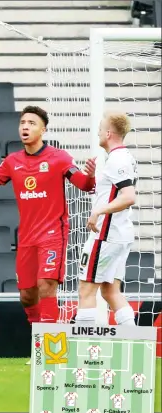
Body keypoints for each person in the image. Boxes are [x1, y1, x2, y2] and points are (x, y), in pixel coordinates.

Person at [0, 105, 97, 328]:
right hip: (27, 237)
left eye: (31, 123)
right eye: (22, 123)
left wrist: (90, 177)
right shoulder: (13, 161)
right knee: (27, 295)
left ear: (43, 130)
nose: (25, 127)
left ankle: (49, 349)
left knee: (46, 284)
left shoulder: (59, 158)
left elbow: (83, 184)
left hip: (53, 234)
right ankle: (38, 344)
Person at [76, 112, 138, 326]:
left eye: (101, 129)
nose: (98, 133)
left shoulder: (118, 159)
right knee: (110, 291)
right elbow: (108, 192)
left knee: (86, 290)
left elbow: (129, 196)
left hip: (105, 236)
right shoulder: (122, 157)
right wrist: (92, 177)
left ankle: (84, 350)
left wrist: (99, 211)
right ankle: (134, 344)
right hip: (119, 234)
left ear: (109, 133)